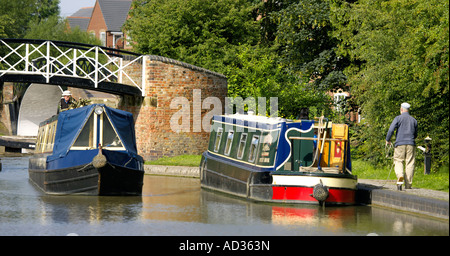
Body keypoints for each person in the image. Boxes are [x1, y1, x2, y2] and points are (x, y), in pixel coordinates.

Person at [385, 102, 418, 190]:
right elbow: (415, 134)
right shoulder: (414, 120)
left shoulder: (398, 118)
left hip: (400, 143)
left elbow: (391, 129)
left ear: (401, 109)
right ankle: (408, 185)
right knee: (410, 163)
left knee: (398, 160)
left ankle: (400, 177)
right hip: (411, 143)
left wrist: (388, 139)